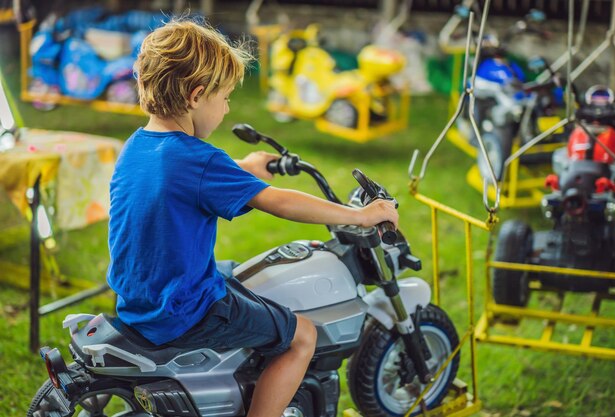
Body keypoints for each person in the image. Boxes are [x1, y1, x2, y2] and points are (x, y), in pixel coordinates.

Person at [107, 19, 399, 417]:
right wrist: (361, 215)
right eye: (224, 97)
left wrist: (242, 166)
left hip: (140, 298)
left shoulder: (138, 147)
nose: (227, 107)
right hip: (184, 310)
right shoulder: (200, 160)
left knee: (243, 275)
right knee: (301, 336)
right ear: (196, 96)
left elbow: (185, 182)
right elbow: (279, 202)